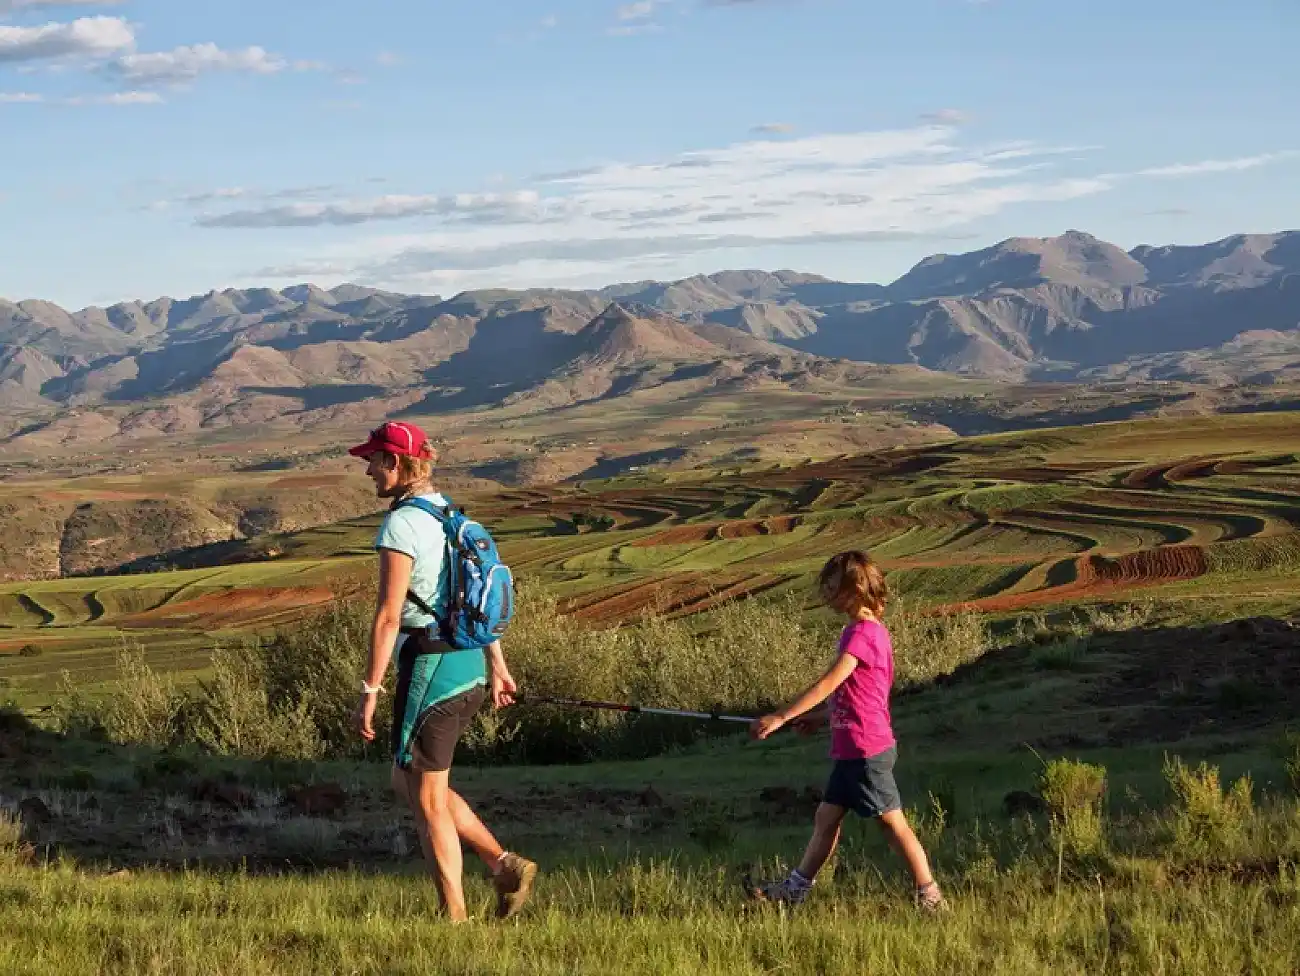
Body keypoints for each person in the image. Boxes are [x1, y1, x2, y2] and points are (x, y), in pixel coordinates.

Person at [348, 420, 537, 923]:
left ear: (394, 462)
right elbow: (471, 595)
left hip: (431, 665)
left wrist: (370, 689)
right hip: (469, 662)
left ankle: (453, 914)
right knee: (405, 780)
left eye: (373, 460)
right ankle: (502, 863)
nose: (368, 470)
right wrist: (497, 665)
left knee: (426, 797)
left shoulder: (402, 524)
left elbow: (389, 616)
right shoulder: (449, 513)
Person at [747, 550, 947, 912]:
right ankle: (794, 891)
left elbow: (827, 684)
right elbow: (855, 696)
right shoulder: (867, 633)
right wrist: (821, 719)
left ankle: (930, 896)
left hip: (865, 750)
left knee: (892, 824)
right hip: (853, 748)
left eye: (833, 587)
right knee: (826, 819)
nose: (827, 594)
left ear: (855, 589)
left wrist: (780, 717)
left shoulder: (862, 636)